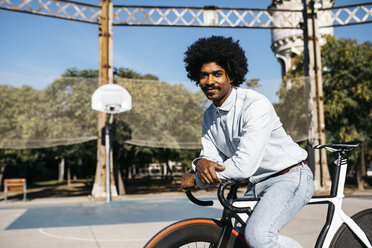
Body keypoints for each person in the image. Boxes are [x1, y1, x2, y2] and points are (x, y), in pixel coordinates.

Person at [181, 36, 315, 248]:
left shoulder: (254, 104)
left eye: (217, 74)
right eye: (203, 76)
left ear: (231, 76)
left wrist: (197, 179)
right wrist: (201, 163)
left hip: (289, 176)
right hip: (257, 183)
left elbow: (244, 166)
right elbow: (210, 157)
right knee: (237, 240)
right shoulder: (209, 115)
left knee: (258, 237)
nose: (209, 81)